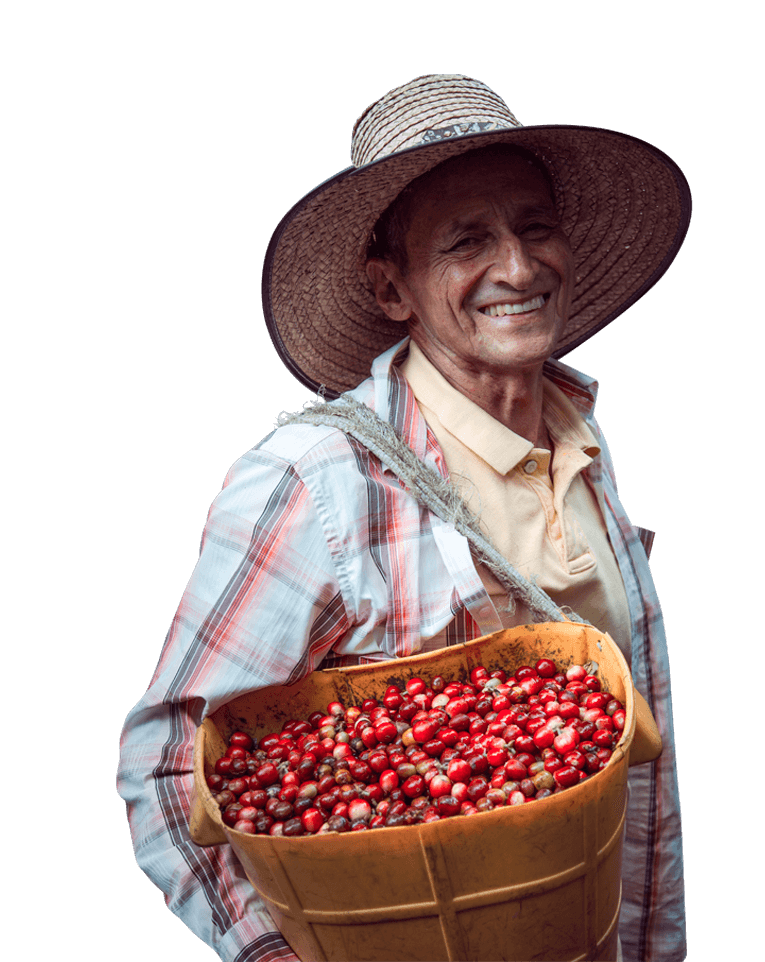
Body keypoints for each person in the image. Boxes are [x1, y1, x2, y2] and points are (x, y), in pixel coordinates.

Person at [117, 74, 689, 962]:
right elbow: (166, 768)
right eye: (467, 240)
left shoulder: (583, 437)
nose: (517, 266)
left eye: (533, 226)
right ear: (392, 290)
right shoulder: (316, 483)